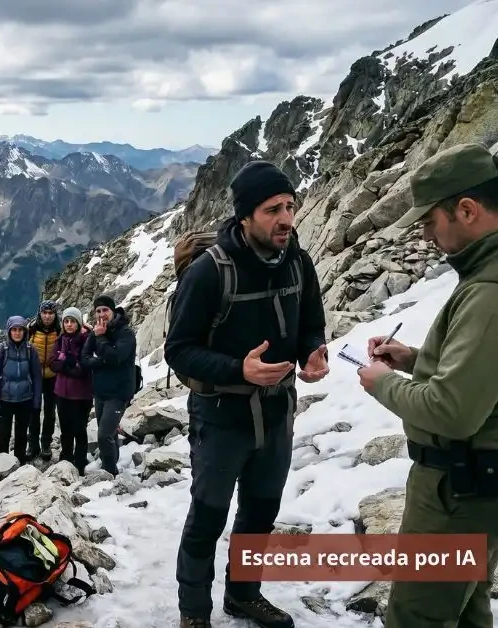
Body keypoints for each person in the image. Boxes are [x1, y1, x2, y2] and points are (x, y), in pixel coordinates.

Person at [357, 143, 498, 628]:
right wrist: (417, 359)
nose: (428, 235)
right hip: (487, 482)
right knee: (467, 608)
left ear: (467, 210)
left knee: (418, 617)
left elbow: (452, 411)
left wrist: (383, 383)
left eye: (431, 221)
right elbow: (496, 372)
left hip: (464, 492)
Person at [164, 159, 328, 628]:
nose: (286, 219)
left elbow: (310, 321)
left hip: (276, 415)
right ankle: (194, 613)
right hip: (221, 418)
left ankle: (243, 595)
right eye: (272, 209)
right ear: (245, 217)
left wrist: (313, 351)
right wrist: (240, 369)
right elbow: (179, 350)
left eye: (290, 206)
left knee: (260, 511)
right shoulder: (210, 273)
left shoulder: (299, 261)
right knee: (208, 518)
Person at [80, 295, 137, 477]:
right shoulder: (95, 332)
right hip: (101, 392)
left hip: (119, 393)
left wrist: (102, 339)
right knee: (109, 434)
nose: (102, 314)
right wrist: (102, 361)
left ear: (113, 311)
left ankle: (109, 472)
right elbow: (84, 359)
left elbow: (116, 357)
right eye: (98, 311)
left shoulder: (125, 333)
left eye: (105, 310)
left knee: (104, 435)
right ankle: (111, 464)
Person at [0, 316, 43, 464]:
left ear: (25, 332)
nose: (17, 333)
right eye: (14, 330)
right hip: (5, 399)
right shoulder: (0, 350)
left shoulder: (31, 351)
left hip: (25, 399)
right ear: (9, 331)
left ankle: (19, 462)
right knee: (4, 434)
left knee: (21, 434)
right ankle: (1, 464)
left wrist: (36, 402)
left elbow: (37, 377)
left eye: (20, 330)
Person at [49, 307, 93, 474]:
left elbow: (83, 369)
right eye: (66, 321)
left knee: (79, 428)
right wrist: (69, 364)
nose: (69, 324)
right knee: (66, 428)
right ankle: (66, 458)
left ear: (79, 322)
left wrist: (65, 365)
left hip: (81, 395)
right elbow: (52, 363)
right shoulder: (60, 340)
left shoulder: (86, 340)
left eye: (72, 321)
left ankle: (80, 462)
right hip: (62, 393)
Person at [27, 300, 61, 460]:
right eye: (44, 313)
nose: (47, 316)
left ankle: (45, 443)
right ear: (40, 313)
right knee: (34, 411)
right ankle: (33, 444)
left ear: (55, 315)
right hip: (34, 376)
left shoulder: (60, 330)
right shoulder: (31, 329)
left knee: (49, 411)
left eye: (50, 313)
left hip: (52, 377)